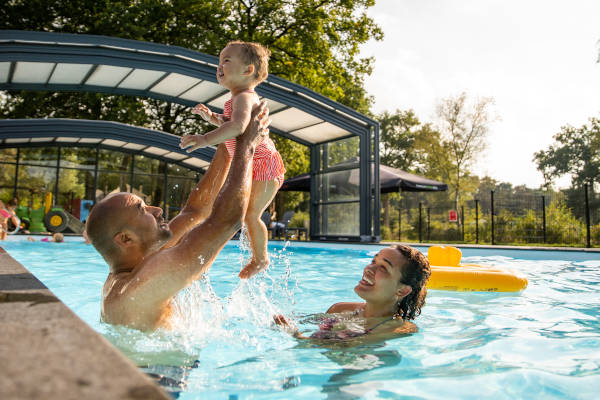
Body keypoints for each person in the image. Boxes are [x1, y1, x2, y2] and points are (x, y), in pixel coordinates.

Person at [85, 101, 271, 332]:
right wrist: (247, 146)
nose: (157, 210)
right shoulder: (141, 284)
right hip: (159, 368)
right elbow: (227, 221)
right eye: (142, 210)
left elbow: (195, 212)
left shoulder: (137, 261)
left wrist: (229, 140)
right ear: (125, 239)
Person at [179, 41, 285, 279]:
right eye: (219, 61)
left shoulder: (244, 98)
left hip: (265, 165)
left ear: (247, 70)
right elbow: (231, 123)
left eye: (226, 61)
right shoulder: (237, 100)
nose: (219, 66)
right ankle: (255, 255)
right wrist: (212, 118)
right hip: (255, 166)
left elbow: (238, 126)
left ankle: (261, 258)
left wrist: (205, 139)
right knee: (240, 212)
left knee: (250, 214)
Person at [274, 245, 431, 343]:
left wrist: (297, 336)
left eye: (383, 268)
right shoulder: (339, 309)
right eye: (373, 261)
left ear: (402, 290)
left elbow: (349, 349)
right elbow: (300, 322)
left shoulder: (399, 329)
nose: (369, 269)